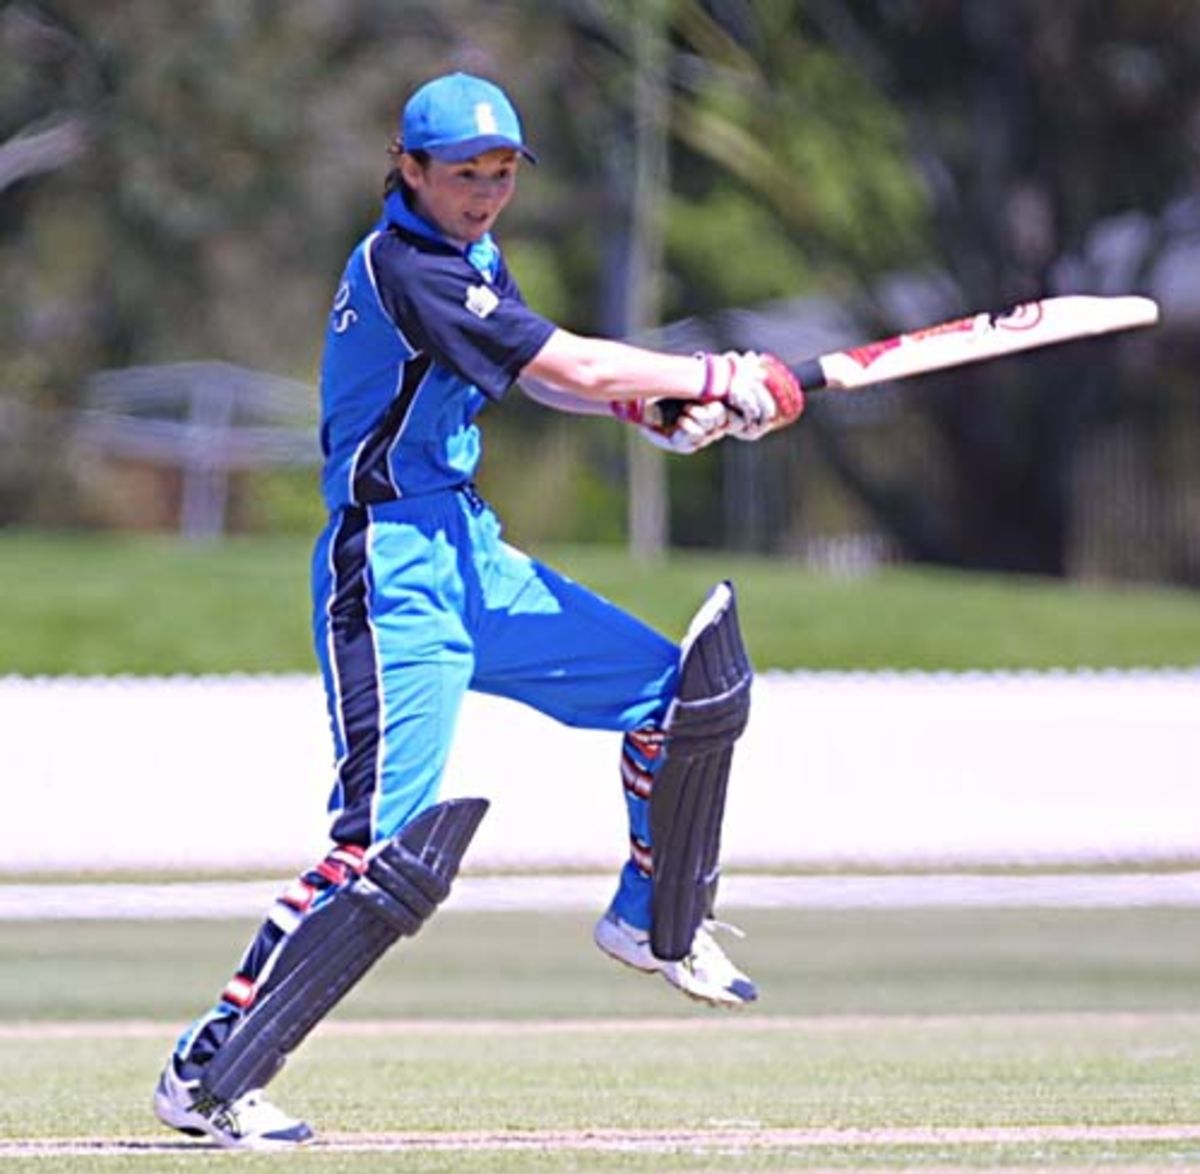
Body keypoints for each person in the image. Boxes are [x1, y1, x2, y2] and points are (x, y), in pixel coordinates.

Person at [153, 71, 804, 1151]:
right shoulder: (407, 264)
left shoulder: (469, 258)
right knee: (378, 855)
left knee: (680, 696)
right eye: (466, 176)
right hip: (391, 567)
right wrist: (715, 372)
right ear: (408, 170)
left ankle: (653, 918)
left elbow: (544, 375)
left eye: (502, 175)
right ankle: (207, 1067)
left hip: (469, 548)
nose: (486, 195)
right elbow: (569, 360)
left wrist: (656, 409)